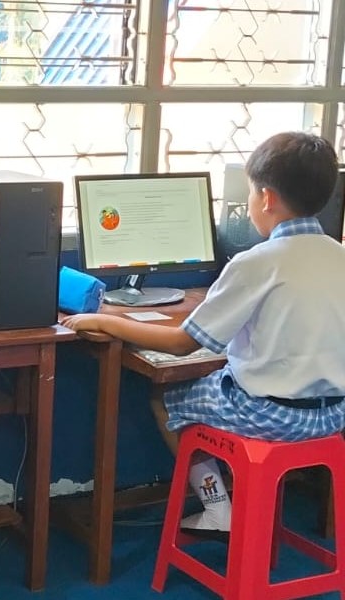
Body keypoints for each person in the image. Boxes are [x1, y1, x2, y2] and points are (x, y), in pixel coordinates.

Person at [60, 131, 345, 539]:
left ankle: (218, 509)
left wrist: (106, 321)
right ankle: (248, 501)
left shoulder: (257, 262)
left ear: (266, 198)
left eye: (250, 192)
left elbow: (182, 344)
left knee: (166, 397)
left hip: (271, 417)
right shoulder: (339, 255)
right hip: (332, 417)